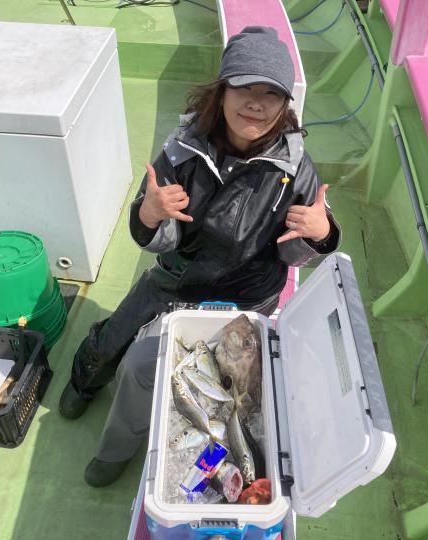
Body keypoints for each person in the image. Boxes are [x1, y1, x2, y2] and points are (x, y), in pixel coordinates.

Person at [59, 26, 341, 487]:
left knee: (239, 397)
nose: (257, 103)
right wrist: (150, 213)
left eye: (272, 94)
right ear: (222, 89)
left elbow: (292, 254)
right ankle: (87, 390)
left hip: (247, 301)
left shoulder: (296, 170)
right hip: (176, 282)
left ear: (285, 105)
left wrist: (321, 234)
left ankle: (209, 465)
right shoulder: (181, 152)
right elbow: (160, 239)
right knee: (120, 349)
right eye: (245, 88)